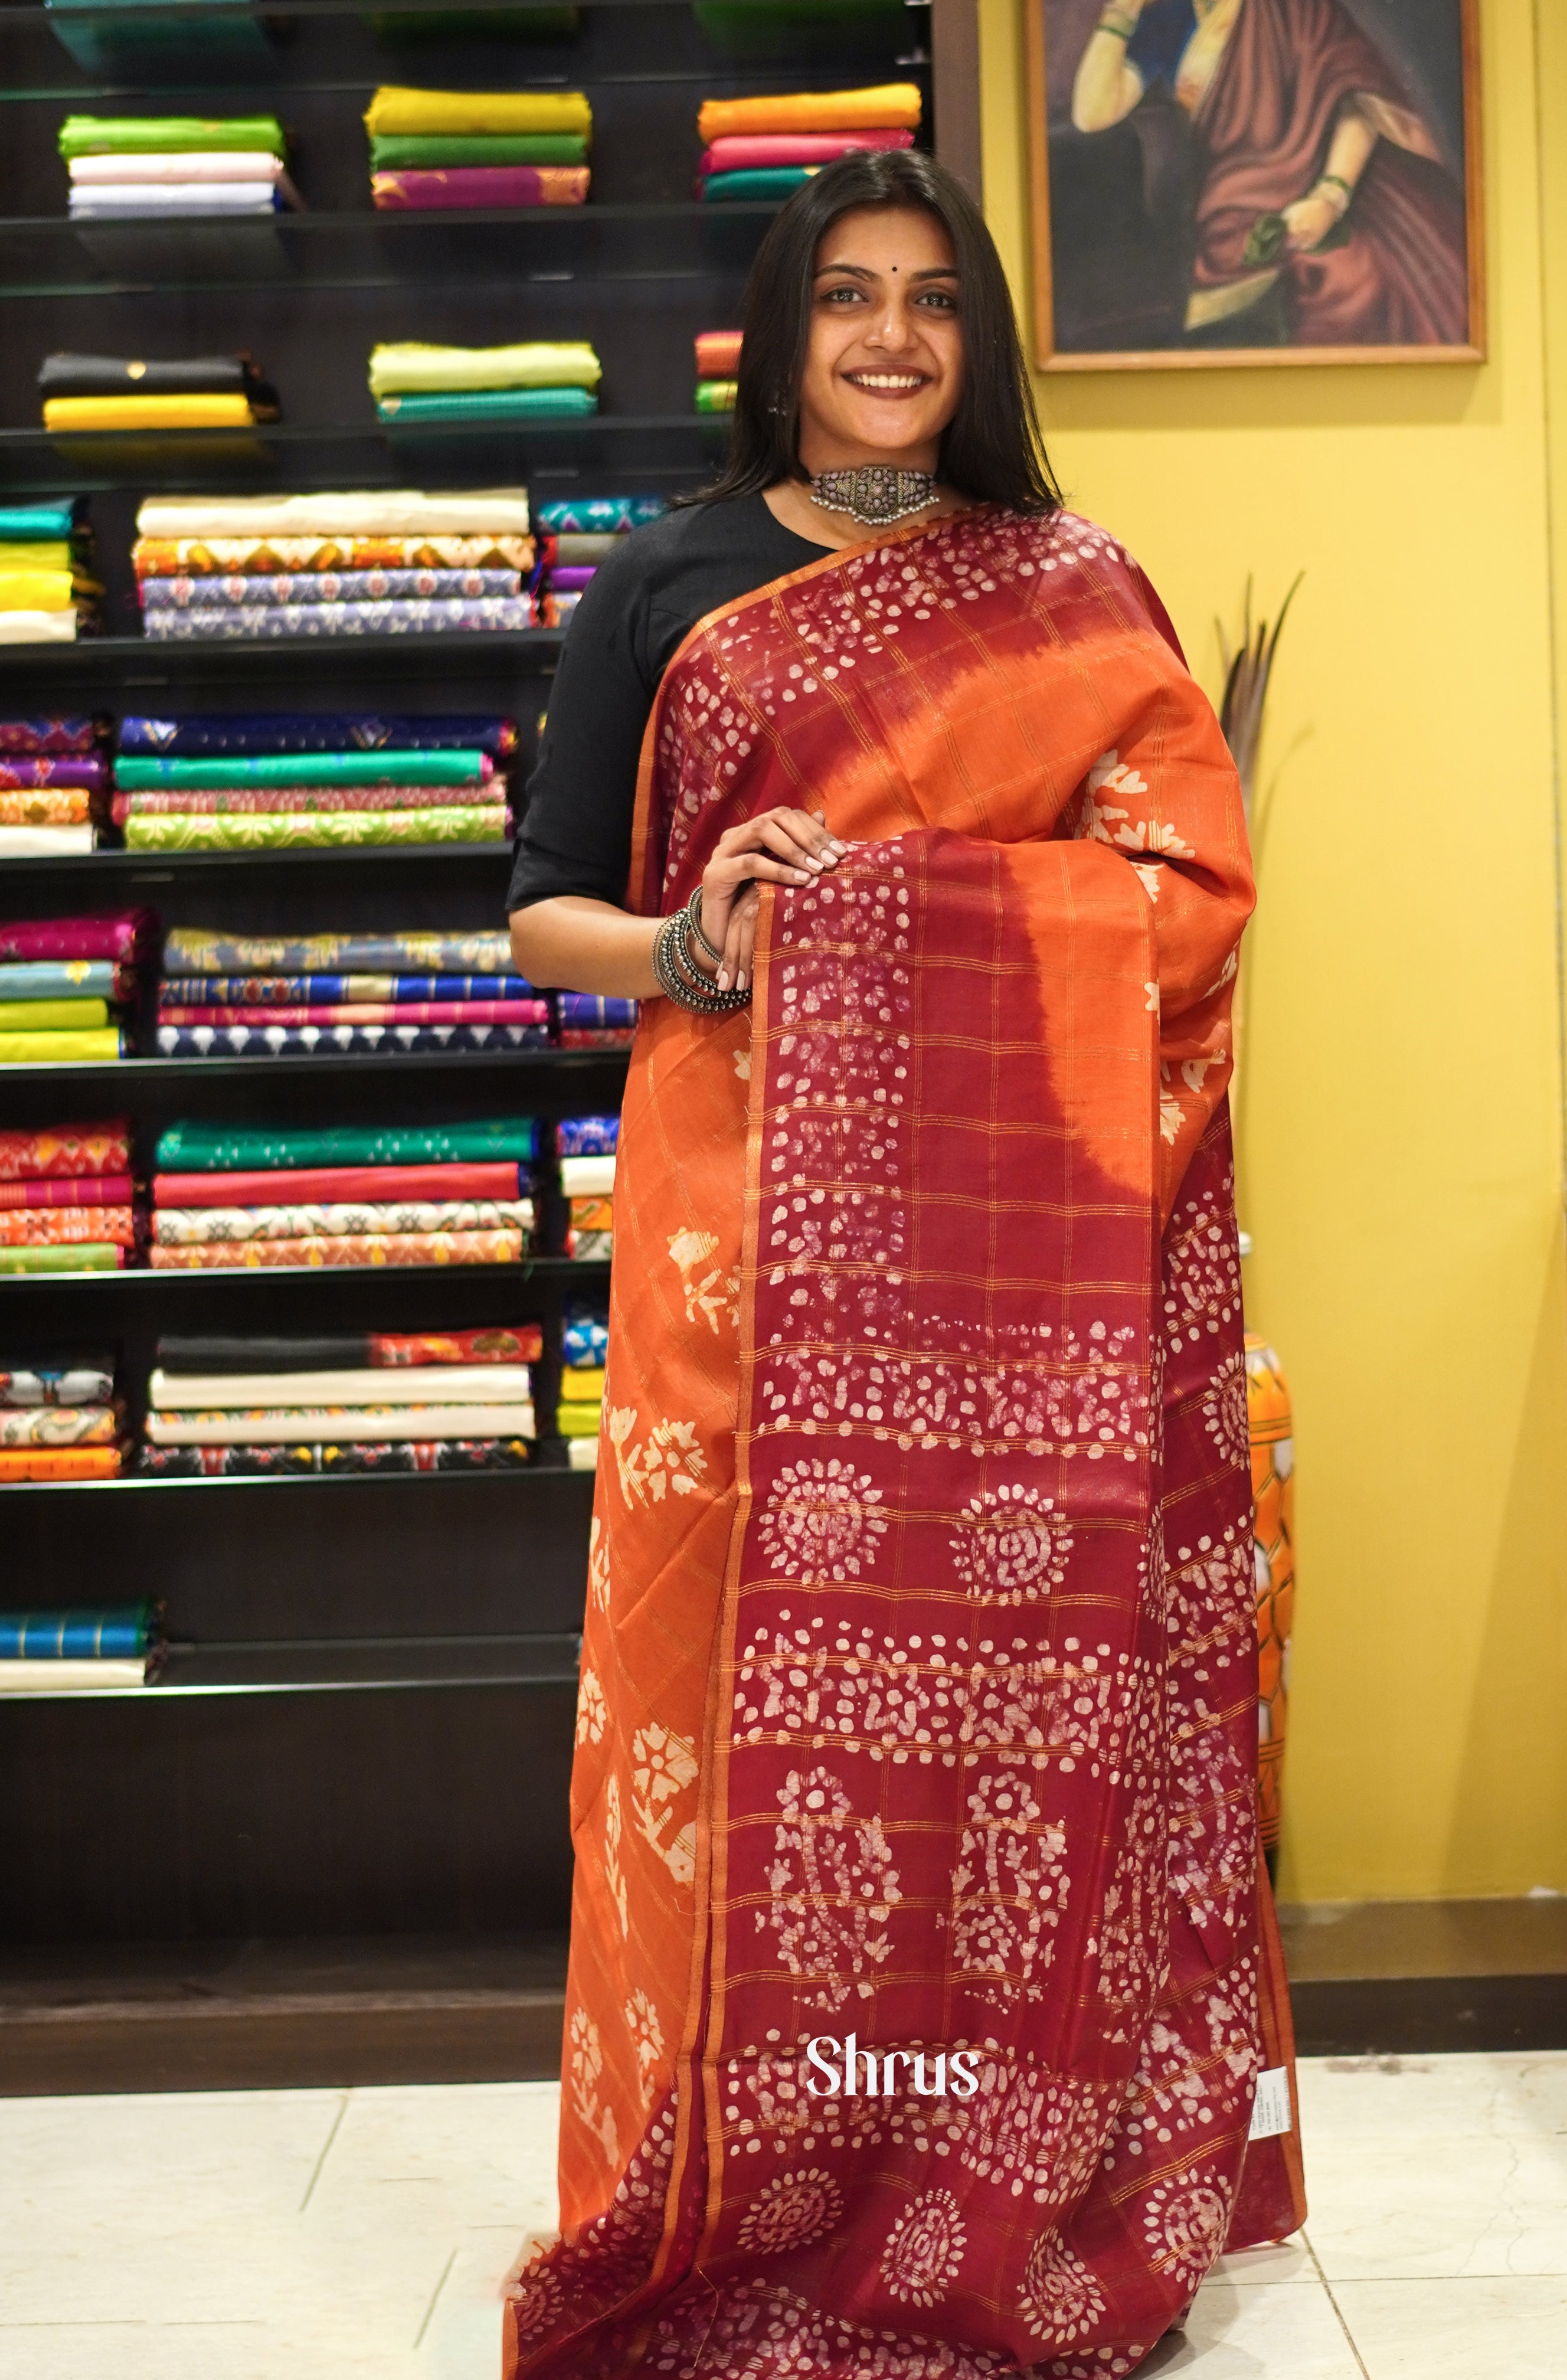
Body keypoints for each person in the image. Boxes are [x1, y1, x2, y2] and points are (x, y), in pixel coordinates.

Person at [504, 146, 1302, 2379]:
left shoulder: (1074, 584)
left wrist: (906, 912)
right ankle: (708, 2172)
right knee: (701, 1714)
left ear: (979, 342)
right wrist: (697, 934)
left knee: (1006, 1707)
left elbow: (1182, 897)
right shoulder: (663, 584)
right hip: (730, 1244)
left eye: (928, 300)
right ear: (779, 332)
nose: (883, 337)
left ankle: (996, 2168)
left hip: (1003, 1271)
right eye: (842, 295)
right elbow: (547, 904)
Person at [1067, 0, 1468, 346]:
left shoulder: (1296, 8)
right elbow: (1092, 113)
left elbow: (1357, 102)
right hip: (1227, 212)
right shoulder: (1172, 20)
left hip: (1321, 192)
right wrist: (1124, 10)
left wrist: (1331, 197)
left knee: (1353, 278)